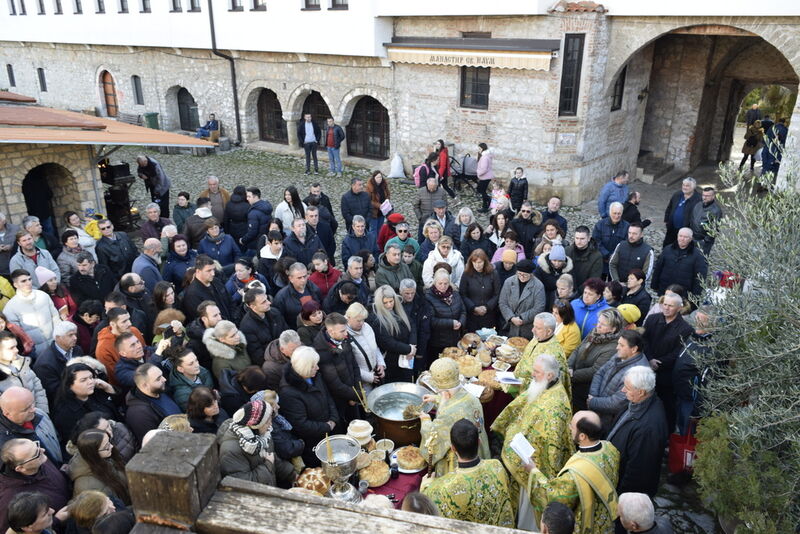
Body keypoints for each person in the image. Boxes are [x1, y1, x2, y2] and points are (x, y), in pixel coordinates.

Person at [492, 354, 573, 528]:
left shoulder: (556, 406)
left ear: (550, 375)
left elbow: (552, 447)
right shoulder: (544, 386)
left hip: (536, 466)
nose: (532, 374)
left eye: (536, 371)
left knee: (527, 508)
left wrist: (534, 467)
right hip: (524, 452)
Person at [524, 411, 620, 534]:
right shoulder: (610, 448)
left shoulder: (574, 475)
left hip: (589, 526)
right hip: (607, 521)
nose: (569, 428)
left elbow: (555, 499)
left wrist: (533, 471)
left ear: (582, 436)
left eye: (572, 426)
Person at [422, 418, 514, 527]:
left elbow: (428, 512)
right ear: (479, 442)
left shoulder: (440, 489)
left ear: (453, 448)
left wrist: (425, 486)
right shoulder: (497, 466)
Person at [419, 358, 490, 476]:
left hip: (460, 460)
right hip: (476, 449)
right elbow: (455, 400)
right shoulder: (472, 398)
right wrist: (437, 399)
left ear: (445, 392)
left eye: (439, 391)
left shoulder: (447, 413)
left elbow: (433, 436)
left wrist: (425, 419)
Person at [607, 366, 668, 497]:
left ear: (641, 392)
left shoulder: (648, 428)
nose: (622, 390)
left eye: (627, 388)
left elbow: (638, 473)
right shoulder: (638, 402)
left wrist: (622, 499)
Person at [641, 292, 694, 433]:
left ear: (679, 308)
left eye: (671, 306)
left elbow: (679, 352)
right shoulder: (652, 319)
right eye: (664, 304)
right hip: (646, 366)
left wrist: (659, 363)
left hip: (666, 376)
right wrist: (650, 359)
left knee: (666, 408)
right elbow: (644, 340)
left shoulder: (685, 328)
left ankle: (666, 435)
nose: (666, 308)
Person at [279, 346, 339, 467]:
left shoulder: (315, 376)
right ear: (304, 368)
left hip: (329, 431)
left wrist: (333, 418)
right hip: (313, 444)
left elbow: (328, 397)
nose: (317, 368)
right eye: (313, 366)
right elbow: (301, 424)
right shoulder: (288, 393)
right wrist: (326, 426)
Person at [220, 399, 295, 487]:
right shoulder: (231, 451)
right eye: (267, 422)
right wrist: (268, 465)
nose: (270, 425)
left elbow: (272, 457)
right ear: (255, 425)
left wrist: (292, 475)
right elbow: (244, 484)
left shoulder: (264, 435)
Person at [0, 439, 70, 533]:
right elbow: (16, 530)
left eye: (37, 445)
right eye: (35, 454)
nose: (42, 450)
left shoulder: (40, 460)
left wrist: (63, 474)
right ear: (21, 468)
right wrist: (55, 521)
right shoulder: (9, 499)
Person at [568, 308, 624, 411]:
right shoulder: (594, 332)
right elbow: (578, 349)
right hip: (573, 379)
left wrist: (570, 375)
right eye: (598, 322)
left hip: (585, 390)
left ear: (613, 329)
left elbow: (594, 371)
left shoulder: (613, 347)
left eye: (603, 324)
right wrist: (569, 366)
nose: (598, 326)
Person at [52, 362, 118, 444]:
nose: (90, 382)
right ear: (69, 385)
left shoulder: (97, 392)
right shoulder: (65, 414)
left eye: (91, 377)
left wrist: (108, 388)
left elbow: (118, 407)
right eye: (83, 380)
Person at [313, 313, 361, 423]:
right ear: (331, 332)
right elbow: (335, 384)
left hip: (353, 393)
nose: (346, 333)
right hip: (340, 401)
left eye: (346, 329)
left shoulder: (344, 338)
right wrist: (355, 395)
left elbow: (354, 365)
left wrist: (357, 391)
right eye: (342, 331)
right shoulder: (321, 351)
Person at [3, 269, 62, 355]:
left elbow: (55, 318)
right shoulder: (10, 308)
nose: (28, 283)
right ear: (15, 285)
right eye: (23, 281)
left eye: (29, 279)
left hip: (55, 344)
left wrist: (59, 338)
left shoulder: (43, 295)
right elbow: (18, 336)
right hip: (34, 352)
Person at [0, 387, 61, 464]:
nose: (33, 409)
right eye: (26, 409)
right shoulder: (5, 443)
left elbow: (57, 438)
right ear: (7, 414)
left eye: (32, 404)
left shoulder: (39, 414)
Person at [125, 363, 181, 446]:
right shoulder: (139, 414)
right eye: (158, 379)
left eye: (162, 375)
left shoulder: (158, 390)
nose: (164, 379)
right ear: (144, 385)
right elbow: (154, 444)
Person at [68, 429, 130, 504]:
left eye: (109, 442)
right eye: (106, 446)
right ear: (94, 453)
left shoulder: (104, 457)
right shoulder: (88, 486)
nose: (111, 446)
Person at [516, 312, 569, 397]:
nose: (533, 330)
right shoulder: (538, 338)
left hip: (532, 393)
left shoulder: (554, 354)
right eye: (534, 326)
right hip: (517, 384)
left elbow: (546, 384)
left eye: (538, 328)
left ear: (549, 331)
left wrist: (521, 383)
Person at [373, 285, 416, 383]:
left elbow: (412, 326)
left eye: (391, 301)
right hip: (392, 362)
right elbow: (387, 342)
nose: (389, 305)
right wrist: (409, 349)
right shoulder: (376, 319)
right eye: (385, 303)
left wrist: (412, 345)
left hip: (407, 357)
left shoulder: (399, 310)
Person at [31, 321, 81, 402]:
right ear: (58, 338)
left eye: (75, 334)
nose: (75, 338)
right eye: (70, 335)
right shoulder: (45, 364)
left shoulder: (77, 349)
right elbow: (54, 392)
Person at [651, 228, 707, 300]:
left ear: (691, 239)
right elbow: (658, 268)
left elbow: (700, 276)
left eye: (685, 237)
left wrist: (695, 296)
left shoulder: (698, 255)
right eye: (680, 236)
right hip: (665, 289)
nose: (682, 239)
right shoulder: (667, 249)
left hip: (684, 293)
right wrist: (654, 285)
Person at [94, 308, 145, 385]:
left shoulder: (134, 331)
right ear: (112, 324)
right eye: (124, 321)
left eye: (129, 319)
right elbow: (113, 376)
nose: (130, 323)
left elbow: (146, 352)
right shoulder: (103, 348)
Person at [0, 331, 47, 413]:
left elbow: (38, 388)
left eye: (16, 346)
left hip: (37, 413)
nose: (17, 350)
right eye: (11, 348)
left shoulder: (22, 363)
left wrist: (43, 412)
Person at [239, 288, 287, 366]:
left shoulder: (275, 312)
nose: (269, 302)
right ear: (253, 307)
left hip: (286, 352)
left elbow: (286, 332)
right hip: (272, 363)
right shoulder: (246, 327)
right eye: (264, 302)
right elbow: (258, 356)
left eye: (267, 299)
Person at [425, 271, 466, 363]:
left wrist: (461, 322)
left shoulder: (455, 294)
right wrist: (451, 323)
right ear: (435, 283)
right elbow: (431, 320)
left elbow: (463, 311)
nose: (443, 286)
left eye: (445, 283)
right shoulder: (428, 297)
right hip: (438, 342)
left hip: (455, 339)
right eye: (440, 283)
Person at [182, 254, 238, 322]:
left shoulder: (216, 281)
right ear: (198, 271)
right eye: (208, 271)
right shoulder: (192, 294)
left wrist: (234, 320)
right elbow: (200, 320)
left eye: (213, 270)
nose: (213, 273)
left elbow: (231, 302)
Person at [499, 259, 546, 339]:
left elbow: (539, 307)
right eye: (519, 274)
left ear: (531, 274)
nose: (522, 277)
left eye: (525, 275)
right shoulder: (509, 282)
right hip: (509, 326)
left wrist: (522, 318)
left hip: (528, 328)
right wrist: (511, 317)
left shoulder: (538, 286)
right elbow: (502, 302)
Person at [345, 302, 385, 394]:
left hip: (376, 376)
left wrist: (381, 364)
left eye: (363, 320)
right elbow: (349, 364)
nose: (362, 323)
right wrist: (369, 377)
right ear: (349, 317)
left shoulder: (367, 327)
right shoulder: (345, 335)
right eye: (358, 320)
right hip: (362, 383)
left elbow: (375, 348)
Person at [458, 249, 499, 332]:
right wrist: (473, 308)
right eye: (474, 262)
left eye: (480, 262)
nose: (477, 265)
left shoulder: (493, 273)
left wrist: (487, 307)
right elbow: (463, 294)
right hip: (472, 315)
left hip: (489, 314)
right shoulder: (466, 274)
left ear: (485, 262)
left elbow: (497, 294)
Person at [272, 262, 321, 328]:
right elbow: (279, 320)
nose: (303, 280)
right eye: (299, 278)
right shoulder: (281, 297)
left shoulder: (314, 289)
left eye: (305, 276)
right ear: (291, 279)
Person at [166, 347, 214, 411]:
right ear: (180, 369)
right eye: (191, 364)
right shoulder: (182, 395)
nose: (197, 365)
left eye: (196, 360)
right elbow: (195, 413)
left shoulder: (203, 372)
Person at [593, 202, 629, 278]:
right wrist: (607, 255)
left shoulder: (627, 227)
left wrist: (614, 256)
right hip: (601, 261)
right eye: (614, 213)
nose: (616, 216)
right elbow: (596, 241)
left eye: (619, 213)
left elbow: (626, 244)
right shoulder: (600, 224)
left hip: (617, 264)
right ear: (610, 212)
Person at [662, 177, 700, 247]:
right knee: (668, 244)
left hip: (686, 229)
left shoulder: (698, 200)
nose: (684, 187)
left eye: (687, 186)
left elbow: (698, 216)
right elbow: (669, 207)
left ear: (693, 187)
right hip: (672, 226)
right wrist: (666, 220)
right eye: (683, 185)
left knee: (682, 246)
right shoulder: (677, 194)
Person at [536, 243, 573, 311]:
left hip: (560, 300)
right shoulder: (541, 268)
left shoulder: (568, 270)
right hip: (542, 297)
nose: (557, 263)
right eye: (554, 260)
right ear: (550, 259)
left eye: (560, 261)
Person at [239, 187, 274, 254]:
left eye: (249, 196)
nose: (247, 199)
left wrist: (243, 240)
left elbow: (252, 232)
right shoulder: (266, 206)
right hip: (264, 241)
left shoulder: (253, 213)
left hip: (254, 245)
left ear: (255, 197)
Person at [690, 187, 723, 256]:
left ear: (713, 196)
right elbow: (692, 219)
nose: (704, 197)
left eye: (707, 196)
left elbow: (715, 229)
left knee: (701, 259)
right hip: (692, 238)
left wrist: (705, 241)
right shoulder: (698, 205)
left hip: (704, 242)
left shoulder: (716, 211)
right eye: (703, 195)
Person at [223, 185, 250, 250]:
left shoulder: (228, 204)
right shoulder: (247, 205)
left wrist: (226, 231)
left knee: (234, 245)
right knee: (243, 246)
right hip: (244, 228)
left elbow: (226, 219)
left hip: (232, 227)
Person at [366, 170, 391, 240]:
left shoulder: (384, 185)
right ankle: (372, 243)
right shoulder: (369, 187)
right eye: (377, 177)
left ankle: (378, 243)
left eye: (380, 177)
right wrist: (379, 205)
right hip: (373, 212)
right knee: (373, 230)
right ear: (374, 178)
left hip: (382, 211)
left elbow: (388, 194)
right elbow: (368, 200)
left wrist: (387, 201)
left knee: (380, 229)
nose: (379, 179)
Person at [475, 142, 493, 212]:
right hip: (486, 177)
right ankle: (488, 202)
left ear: (483, 149)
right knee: (481, 190)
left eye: (479, 148)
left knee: (482, 192)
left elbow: (484, 169)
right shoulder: (486, 155)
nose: (478, 150)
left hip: (485, 177)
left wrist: (478, 173)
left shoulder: (484, 157)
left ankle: (485, 206)